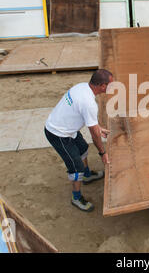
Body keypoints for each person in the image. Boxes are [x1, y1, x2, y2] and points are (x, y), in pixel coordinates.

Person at [44, 69, 113, 212]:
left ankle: (87, 176)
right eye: (110, 85)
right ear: (102, 86)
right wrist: (103, 153)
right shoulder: (89, 103)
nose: (111, 87)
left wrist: (98, 127)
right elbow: (94, 136)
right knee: (76, 169)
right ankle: (76, 198)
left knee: (83, 149)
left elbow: (88, 121)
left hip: (67, 128)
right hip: (58, 134)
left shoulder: (82, 87)